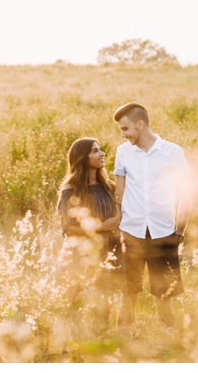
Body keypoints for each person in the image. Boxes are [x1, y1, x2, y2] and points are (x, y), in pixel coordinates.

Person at [112, 102, 192, 327]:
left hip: (164, 232)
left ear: (140, 125)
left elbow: (187, 193)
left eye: (125, 129)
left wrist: (179, 231)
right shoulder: (123, 152)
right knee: (128, 293)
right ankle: (123, 340)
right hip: (131, 232)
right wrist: (118, 222)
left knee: (164, 294)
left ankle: (169, 341)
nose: (123, 134)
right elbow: (119, 190)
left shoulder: (172, 152)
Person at [57, 137, 123, 328]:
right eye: (95, 151)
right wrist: (103, 227)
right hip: (80, 254)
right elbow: (68, 229)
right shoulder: (71, 189)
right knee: (77, 303)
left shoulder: (108, 187)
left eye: (100, 150)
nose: (102, 154)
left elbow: (120, 218)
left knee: (104, 305)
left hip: (107, 251)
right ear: (82, 158)